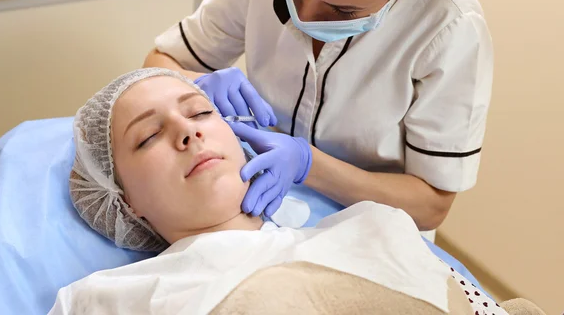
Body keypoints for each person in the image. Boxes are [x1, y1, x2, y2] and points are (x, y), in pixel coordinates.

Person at [55, 68, 506, 315]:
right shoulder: (104, 300)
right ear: (122, 199)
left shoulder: (376, 228)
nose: (187, 133)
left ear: (240, 136)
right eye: (148, 136)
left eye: (199, 112)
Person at [144, 0, 494, 233]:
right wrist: (193, 87)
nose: (305, 16)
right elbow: (160, 61)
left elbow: (430, 205)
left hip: (374, 235)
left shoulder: (449, 28)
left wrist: (307, 164)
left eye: (341, 10)